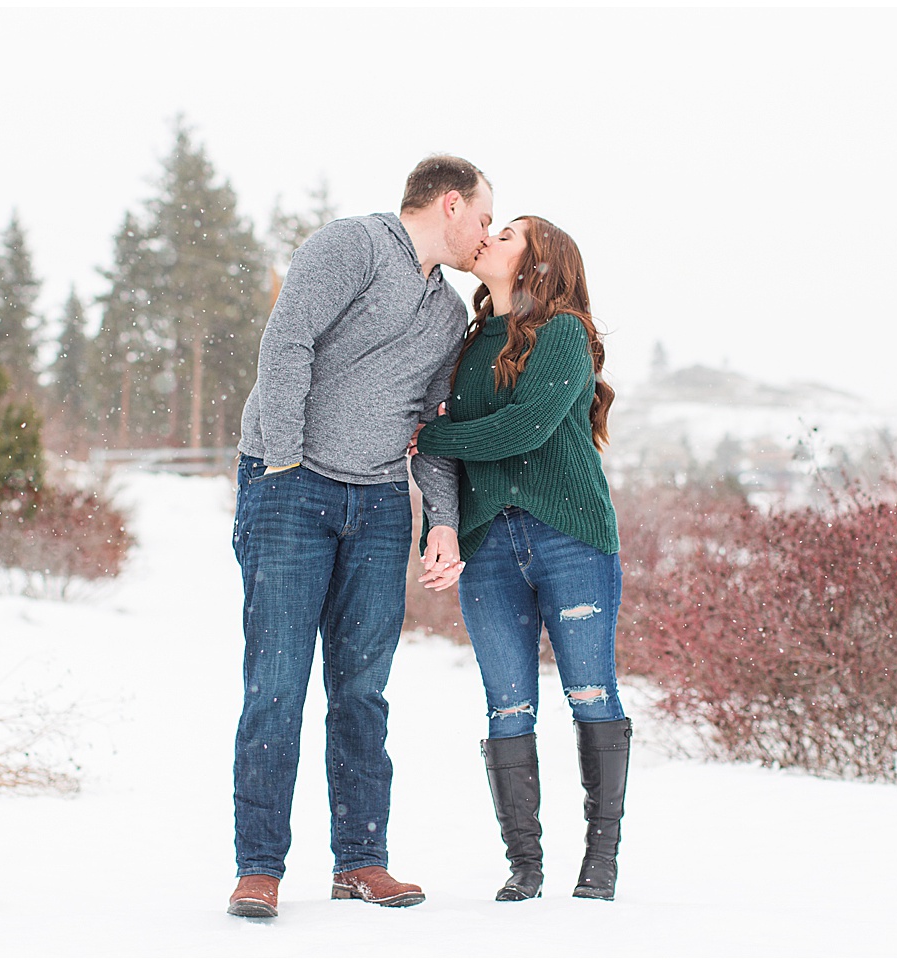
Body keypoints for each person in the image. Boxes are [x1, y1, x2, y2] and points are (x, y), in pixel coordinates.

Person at [226, 155, 491, 918]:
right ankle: (259, 867)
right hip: (291, 488)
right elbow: (287, 343)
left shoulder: (446, 314)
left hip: (377, 506)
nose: (484, 233)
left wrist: (440, 517)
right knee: (275, 684)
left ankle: (361, 860)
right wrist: (281, 459)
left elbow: (432, 429)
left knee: (361, 692)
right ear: (450, 203)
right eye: (482, 217)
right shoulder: (351, 245)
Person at [411, 216, 632, 902]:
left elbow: (524, 427)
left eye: (507, 235)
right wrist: (439, 527)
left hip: (570, 537)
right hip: (490, 548)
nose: (489, 238)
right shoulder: (471, 343)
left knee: (590, 693)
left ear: (539, 260)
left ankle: (600, 860)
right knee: (507, 708)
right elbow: (453, 454)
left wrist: (435, 433)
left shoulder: (565, 331)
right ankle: (525, 865)